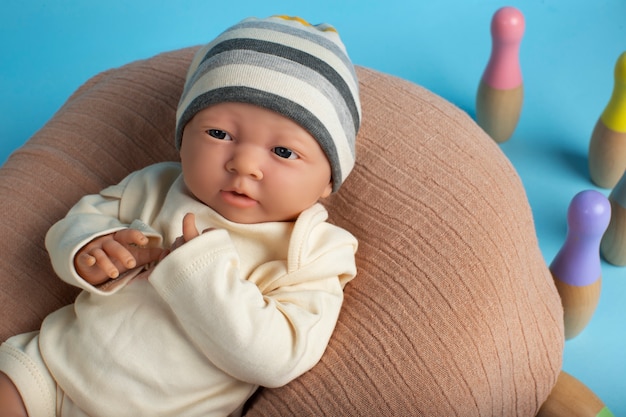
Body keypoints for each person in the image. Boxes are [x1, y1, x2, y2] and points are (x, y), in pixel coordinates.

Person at [0, 15, 361, 416]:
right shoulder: (156, 185)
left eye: (283, 152)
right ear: (183, 135)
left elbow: (277, 359)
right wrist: (91, 250)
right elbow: (72, 225)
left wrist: (199, 276)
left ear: (329, 181)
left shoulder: (315, 251)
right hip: (52, 371)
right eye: (219, 134)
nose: (244, 165)